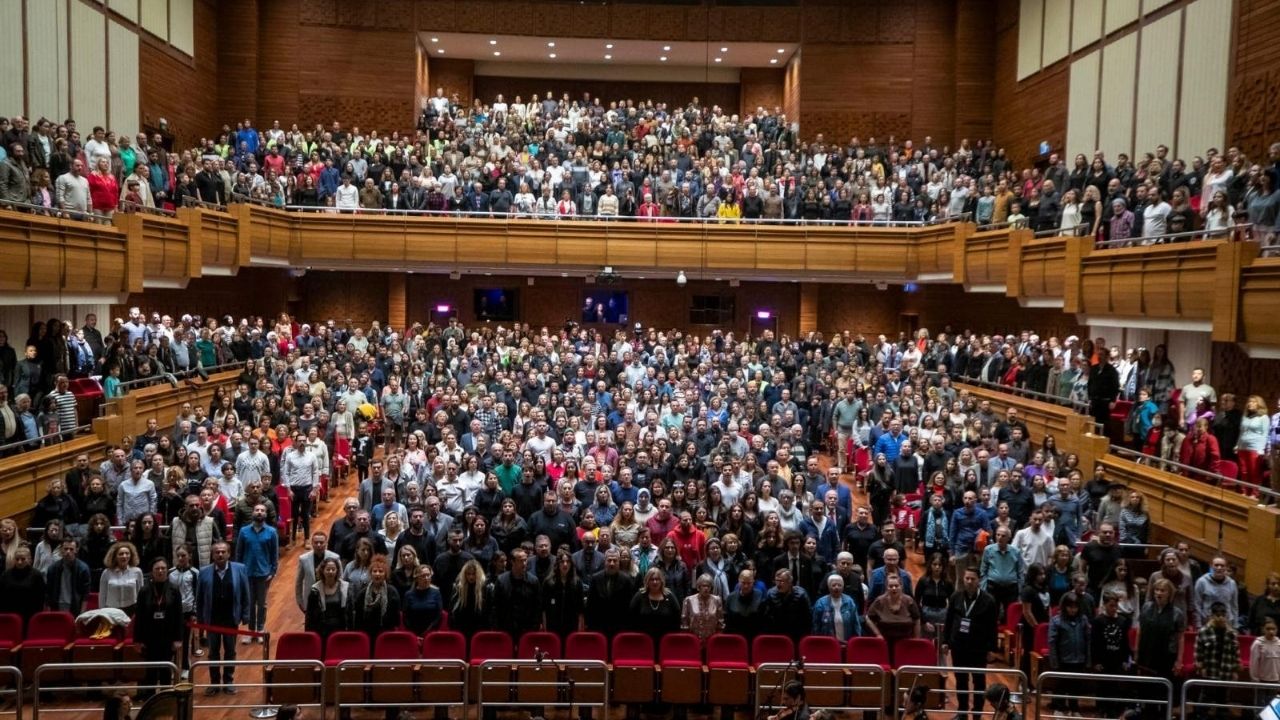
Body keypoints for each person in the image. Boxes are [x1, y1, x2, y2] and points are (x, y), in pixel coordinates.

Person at [942, 566, 1000, 720]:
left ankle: (977, 713)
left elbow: (992, 626)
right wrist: (945, 641)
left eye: (972, 579)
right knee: (961, 680)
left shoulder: (988, 601)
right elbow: (948, 621)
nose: (969, 581)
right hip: (958, 646)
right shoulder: (955, 597)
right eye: (966, 578)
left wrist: (991, 649)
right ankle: (962, 712)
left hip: (978, 648)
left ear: (979, 580)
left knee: (979, 682)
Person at [195, 541, 251, 695]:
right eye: (217, 552)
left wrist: (246, 615)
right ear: (212, 555)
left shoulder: (240, 569)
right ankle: (214, 683)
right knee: (213, 652)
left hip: (230, 619)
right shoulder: (204, 572)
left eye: (223, 552)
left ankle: (228, 681)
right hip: (212, 619)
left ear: (228, 553)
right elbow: (199, 598)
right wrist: (200, 620)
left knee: (230, 651)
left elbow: (245, 593)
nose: (220, 554)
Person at [134, 556, 184, 697]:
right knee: (150, 671)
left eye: (163, 568)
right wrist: (137, 640)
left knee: (166, 671)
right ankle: (150, 700)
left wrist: (178, 639)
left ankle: (165, 698)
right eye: (157, 569)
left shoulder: (174, 590)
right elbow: (139, 617)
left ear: (167, 571)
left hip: (167, 637)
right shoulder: (144, 591)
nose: (160, 571)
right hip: (149, 637)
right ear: (152, 571)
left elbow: (179, 616)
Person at [235, 502, 279, 641]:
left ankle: (260, 629)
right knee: (249, 602)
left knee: (261, 603)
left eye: (262, 510)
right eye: (257, 510)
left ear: (265, 514)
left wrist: (273, 571)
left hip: (263, 573)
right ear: (253, 512)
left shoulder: (271, 532)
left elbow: (274, 554)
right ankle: (251, 630)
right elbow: (239, 553)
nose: (259, 512)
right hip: (247, 572)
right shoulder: (244, 531)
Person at [1136, 577, 1187, 683]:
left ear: (1169, 593)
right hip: (1147, 652)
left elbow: (1180, 637)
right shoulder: (1146, 607)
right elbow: (1139, 629)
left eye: (1163, 590)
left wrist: (1179, 660)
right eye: (1157, 590)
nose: (1159, 593)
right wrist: (1136, 651)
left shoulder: (1177, 613)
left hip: (1166, 656)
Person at [629, 567, 682, 641]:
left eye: (657, 579)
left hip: (666, 641)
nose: (655, 582)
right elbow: (631, 617)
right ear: (647, 581)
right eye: (652, 579)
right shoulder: (640, 596)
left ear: (661, 581)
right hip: (642, 640)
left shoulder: (669, 596)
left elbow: (677, 619)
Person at [305, 557, 350, 641]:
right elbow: (309, 616)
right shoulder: (315, 590)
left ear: (337, 571)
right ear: (322, 570)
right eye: (328, 569)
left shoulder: (345, 587)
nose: (331, 572)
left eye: (333, 569)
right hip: (321, 631)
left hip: (341, 630)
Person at [681, 573, 725, 641]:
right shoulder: (689, 600)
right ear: (699, 587)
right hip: (693, 640)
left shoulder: (717, 600)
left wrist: (718, 639)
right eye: (704, 586)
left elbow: (720, 623)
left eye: (708, 586)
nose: (706, 588)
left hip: (712, 640)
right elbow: (684, 623)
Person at [402, 564, 444, 634]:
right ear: (417, 578)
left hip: (432, 632)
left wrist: (428, 632)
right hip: (413, 633)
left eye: (428, 575)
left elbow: (438, 615)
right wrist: (414, 633)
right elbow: (405, 617)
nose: (426, 578)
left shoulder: (436, 593)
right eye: (423, 576)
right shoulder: (408, 594)